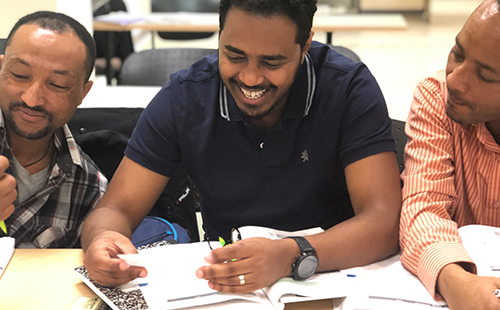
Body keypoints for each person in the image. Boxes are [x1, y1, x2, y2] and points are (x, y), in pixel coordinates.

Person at [82, 0, 402, 292]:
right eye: (234, 56)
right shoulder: (184, 98)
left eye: (271, 62)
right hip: (224, 286)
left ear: (305, 45)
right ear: (219, 37)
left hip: (333, 278)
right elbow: (115, 209)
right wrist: (102, 240)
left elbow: (384, 220)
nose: (250, 78)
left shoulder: (348, 90)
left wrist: (293, 253)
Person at [399, 0, 500, 309]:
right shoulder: (435, 97)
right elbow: (422, 207)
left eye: (484, 76)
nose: (454, 80)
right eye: (457, 53)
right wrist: (455, 282)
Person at [0, 11, 106, 248]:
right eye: (20, 75)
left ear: (83, 93)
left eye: (58, 85)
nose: (32, 98)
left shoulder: (89, 188)